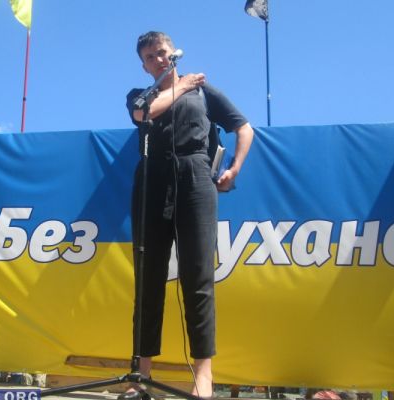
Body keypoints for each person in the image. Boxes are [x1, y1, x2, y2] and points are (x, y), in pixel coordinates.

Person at [124, 31, 254, 399]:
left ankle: (203, 377)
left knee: (198, 277)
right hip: (152, 179)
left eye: (162, 52)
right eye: (150, 57)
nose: (158, 60)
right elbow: (143, 115)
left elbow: (244, 128)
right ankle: (140, 375)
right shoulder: (141, 95)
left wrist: (234, 168)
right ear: (144, 66)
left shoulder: (203, 91)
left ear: (173, 53)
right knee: (148, 280)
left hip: (196, 176)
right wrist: (180, 87)